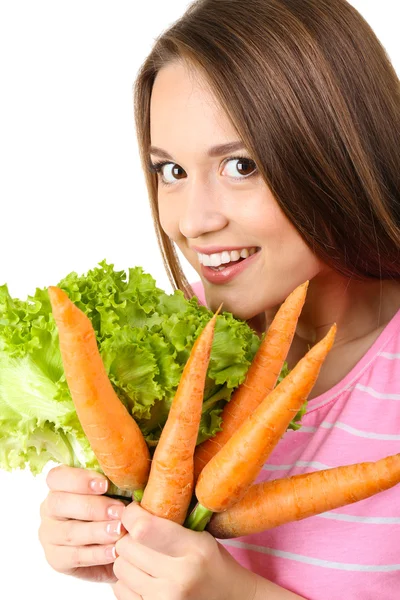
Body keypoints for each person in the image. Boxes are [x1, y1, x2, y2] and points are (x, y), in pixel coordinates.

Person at [38, 0, 400, 598]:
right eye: (171, 172)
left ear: (335, 153)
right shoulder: (183, 341)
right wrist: (112, 536)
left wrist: (240, 595)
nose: (194, 221)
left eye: (240, 164)